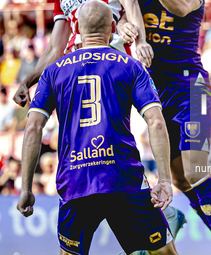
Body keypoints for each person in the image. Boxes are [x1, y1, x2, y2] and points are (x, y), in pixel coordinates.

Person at [16, 2, 178, 255]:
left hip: (75, 180)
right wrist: (165, 181)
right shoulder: (130, 65)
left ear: (77, 29)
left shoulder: (53, 72)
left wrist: (25, 187)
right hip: (123, 177)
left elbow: (34, 128)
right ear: (114, 27)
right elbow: (156, 122)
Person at [118, 0, 211, 254]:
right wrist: (124, 26)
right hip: (158, 94)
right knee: (179, 178)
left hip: (191, 89)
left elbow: (179, 8)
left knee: (194, 172)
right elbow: (122, 17)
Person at [12, 0, 154, 107]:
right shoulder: (60, 1)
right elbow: (54, 49)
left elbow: (132, 5)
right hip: (75, 66)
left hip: (112, 60)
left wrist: (141, 41)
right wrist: (26, 82)